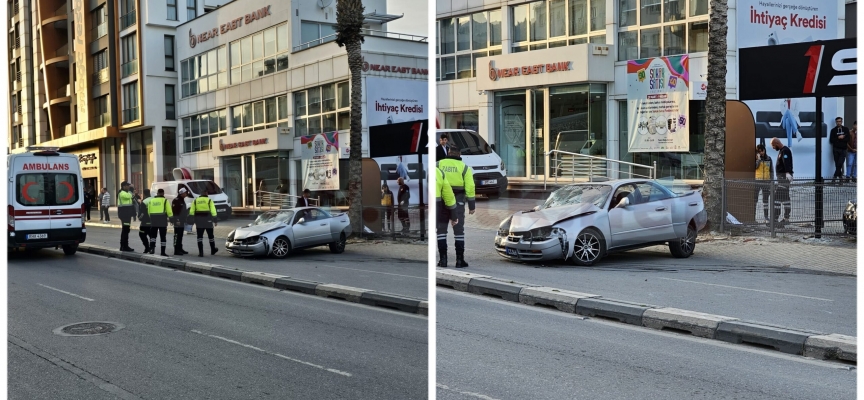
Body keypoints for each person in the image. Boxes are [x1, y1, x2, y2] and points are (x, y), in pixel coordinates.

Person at [438, 147, 476, 267]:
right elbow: (470, 187)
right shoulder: (464, 167)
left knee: (441, 231)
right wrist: (471, 205)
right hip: (458, 202)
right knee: (459, 231)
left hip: (442, 202)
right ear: (459, 154)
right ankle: (460, 261)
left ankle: (443, 260)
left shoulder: (438, 165)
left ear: (448, 153)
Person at [435, 167, 459, 268]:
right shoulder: (438, 172)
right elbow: (448, 195)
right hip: (439, 206)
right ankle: (443, 260)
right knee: (441, 233)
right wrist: (454, 215)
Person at [771, 137, 793, 225]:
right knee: (785, 198)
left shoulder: (785, 151)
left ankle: (775, 219)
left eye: (773, 146)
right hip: (782, 178)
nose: (773, 148)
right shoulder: (782, 150)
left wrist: (787, 172)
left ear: (776, 143)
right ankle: (786, 218)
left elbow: (786, 161)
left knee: (777, 198)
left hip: (783, 178)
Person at [189, 190, 218, 257]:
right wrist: (215, 220)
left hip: (199, 221)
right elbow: (213, 211)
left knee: (199, 237)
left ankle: (201, 253)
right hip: (208, 221)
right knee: (211, 236)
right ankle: (213, 250)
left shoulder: (195, 201)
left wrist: (191, 220)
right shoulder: (209, 200)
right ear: (206, 193)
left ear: (200, 194)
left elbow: (191, 211)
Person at [148, 189, 174, 256]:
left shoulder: (152, 200)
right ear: (163, 193)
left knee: (153, 236)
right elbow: (169, 211)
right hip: (162, 220)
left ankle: (151, 249)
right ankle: (162, 252)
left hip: (153, 220)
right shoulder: (165, 200)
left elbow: (148, 211)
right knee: (163, 236)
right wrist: (171, 218)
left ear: (157, 193)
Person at [754, 144, 773, 223]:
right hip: (757, 181)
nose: (761, 152)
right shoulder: (756, 159)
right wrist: (758, 159)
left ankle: (766, 217)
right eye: (759, 151)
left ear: (764, 150)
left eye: (762, 151)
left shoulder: (769, 159)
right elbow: (755, 167)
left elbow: (771, 171)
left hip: (766, 182)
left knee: (765, 200)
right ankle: (753, 217)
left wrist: (772, 181)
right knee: (755, 200)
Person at [829, 117, 850, 184]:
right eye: (837, 121)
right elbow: (831, 140)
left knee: (840, 163)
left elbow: (848, 139)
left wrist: (842, 138)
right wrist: (838, 138)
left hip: (843, 149)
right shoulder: (833, 130)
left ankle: (834, 177)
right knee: (837, 164)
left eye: (839, 121)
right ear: (836, 122)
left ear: (842, 122)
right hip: (836, 149)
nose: (838, 122)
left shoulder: (846, 129)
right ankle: (840, 179)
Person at [117, 181, 135, 251]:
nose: (128, 187)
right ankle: (124, 246)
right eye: (127, 186)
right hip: (124, 214)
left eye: (129, 186)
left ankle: (124, 246)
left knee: (126, 230)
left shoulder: (126, 193)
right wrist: (131, 190)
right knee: (125, 230)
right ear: (124, 186)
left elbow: (131, 199)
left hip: (127, 214)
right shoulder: (122, 193)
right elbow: (129, 196)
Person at [172, 188, 190, 255]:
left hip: (182, 221)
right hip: (178, 221)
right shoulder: (176, 200)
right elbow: (175, 212)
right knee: (177, 235)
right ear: (181, 193)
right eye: (185, 192)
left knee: (180, 235)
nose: (186, 193)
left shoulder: (182, 200)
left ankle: (180, 248)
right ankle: (176, 250)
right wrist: (177, 220)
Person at [138, 189, 153, 253]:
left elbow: (142, 212)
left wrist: (139, 218)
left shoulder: (144, 202)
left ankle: (147, 247)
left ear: (144, 194)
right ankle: (152, 248)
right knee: (152, 236)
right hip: (153, 222)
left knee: (142, 234)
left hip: (145, 222)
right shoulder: (153, 199)